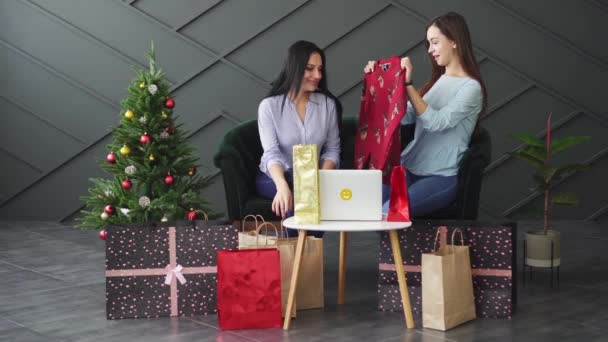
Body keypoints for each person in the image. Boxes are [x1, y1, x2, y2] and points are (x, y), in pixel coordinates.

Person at [363, 12, 488, 217]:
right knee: (367, 206)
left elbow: (436, 122)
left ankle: (404, 249)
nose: (430, 50)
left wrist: (408, 85)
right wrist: (378, 84)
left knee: (387, 214)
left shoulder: (471, 87)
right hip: (408, 168)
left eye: (435, 42)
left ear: (454, 41)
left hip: (440, 177)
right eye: (428, 44)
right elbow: (407, 117)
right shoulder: (438, 81)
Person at [257, 40, 342, 237]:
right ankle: (296, 261)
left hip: (315, 176)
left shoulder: (327, 105)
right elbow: (272, 154)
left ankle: (308, 259)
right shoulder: (269, 107)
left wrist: (319, 180)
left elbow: (332, 150)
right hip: (277, 176)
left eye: (320, 69)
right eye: (310, 69)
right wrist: (282, 187)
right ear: (294, 68)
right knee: (296, 199)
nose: (318, 76)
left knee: (311, 198)